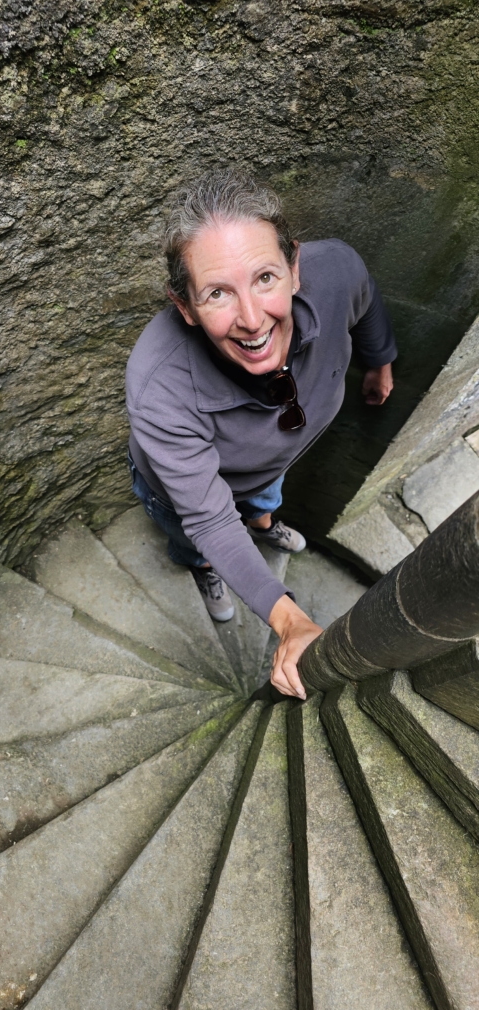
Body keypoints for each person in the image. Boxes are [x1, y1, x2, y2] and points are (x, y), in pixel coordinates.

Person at [126, 170, 396, 699]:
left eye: (265, 278)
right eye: (218, 293)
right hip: (186, 492)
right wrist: (291, 621)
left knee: (265, 497)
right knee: (196, 538)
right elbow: (207, 514)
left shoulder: (336, 269)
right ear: (185, 307)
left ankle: (265, 522)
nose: (252, 319)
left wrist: (380, 359)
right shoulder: (160, 386)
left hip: (270, 464)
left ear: (295, 267)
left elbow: (366, 303)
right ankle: (204, 568)